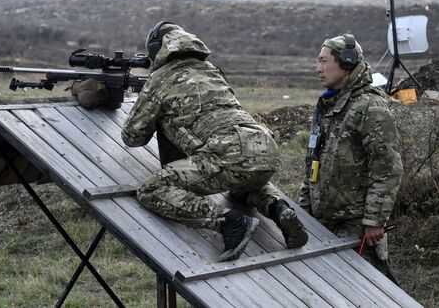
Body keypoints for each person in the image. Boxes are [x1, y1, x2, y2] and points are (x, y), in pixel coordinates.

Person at [121, 21, 308, 262]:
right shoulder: (211, 70)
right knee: (243, 181)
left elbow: (132, 137)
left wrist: (154, 109)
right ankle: (279, 209)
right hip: (264, 145)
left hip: (226, 151)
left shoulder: (160, 78)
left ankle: (229, 222)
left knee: (151, 189)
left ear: (158, 50)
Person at [299, 34, 403, 281]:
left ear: (346, 63)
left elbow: (388, 168)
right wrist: (304, 209)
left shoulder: (370, 107)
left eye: (324, 61)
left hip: (356, 228)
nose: (318, 69)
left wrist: (374, 220)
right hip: (323, 223)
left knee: (371, 291)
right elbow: (313, 161)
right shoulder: (328, 106)